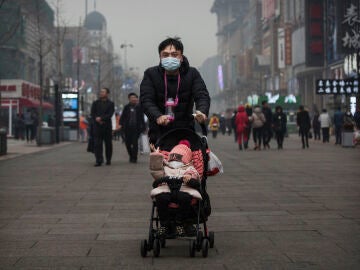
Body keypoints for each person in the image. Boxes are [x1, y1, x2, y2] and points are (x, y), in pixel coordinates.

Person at [140, 37, 210, 145]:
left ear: (181, 57)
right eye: (165, 55)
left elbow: (202, 95)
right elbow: (146, 100)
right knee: (161, 161)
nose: (170, 58)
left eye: (174, 54)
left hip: (186, 133)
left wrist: (202, 111)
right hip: (159, 133)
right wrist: (157, 116)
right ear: (160, 57)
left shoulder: (192, 74)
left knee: (187, 161)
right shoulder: (151, 74)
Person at [150, 140, 201, 237]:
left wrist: (189, 177)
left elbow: (195, 174)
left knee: (185, 198)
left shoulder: (189, 168)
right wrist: (155, 155)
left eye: (178, 160)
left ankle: (179, 223)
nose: (175, 162)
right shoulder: (166, 167)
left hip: (183, 189)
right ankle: (165, 224)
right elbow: (156, 170)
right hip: (167, 189)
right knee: (161, 198)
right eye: (173, 160)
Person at [90, 87, 115, 166]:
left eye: (103, 92)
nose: (101, 93)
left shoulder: (111, 104)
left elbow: (110, 114)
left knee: (108, 144)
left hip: (107, 126)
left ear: (107, 94)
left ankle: (108, 159)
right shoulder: (95, 103)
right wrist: (96, 119)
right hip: (97, 126)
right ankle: (99, 160)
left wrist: (101, 118)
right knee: (97, 144)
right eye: (101, 92)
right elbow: (92, 113)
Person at [119, 93, 145, 163]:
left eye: (134, 97)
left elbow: (142, 118)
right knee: (127, 143)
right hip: (127, 128)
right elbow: (123, 117)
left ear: (137, 99)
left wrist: (144, 128)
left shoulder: (139, 107)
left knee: (135, 143)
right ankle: (131, 155)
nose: (133, 99)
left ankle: (134, 158)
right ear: (129, 99)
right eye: (131, 98)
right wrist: (120, 124)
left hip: (136, 128)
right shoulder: (126, 107)